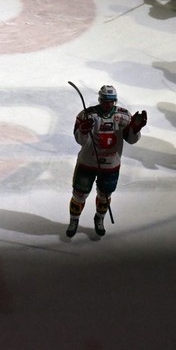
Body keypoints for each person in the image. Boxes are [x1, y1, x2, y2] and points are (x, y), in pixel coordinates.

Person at [65, 85, 146, 238]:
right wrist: (82, 130)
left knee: (105, 195)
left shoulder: (124, 116)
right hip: (87, 163)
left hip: (111, 165)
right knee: (79, 194)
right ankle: (74, 220)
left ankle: (99, 219)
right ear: (99, 99)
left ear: (115, 101)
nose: (107, 104)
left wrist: (135, 128)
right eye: (104, 101)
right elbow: (79, 140)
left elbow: (131, 139)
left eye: (111, 101)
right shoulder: (87, 114)